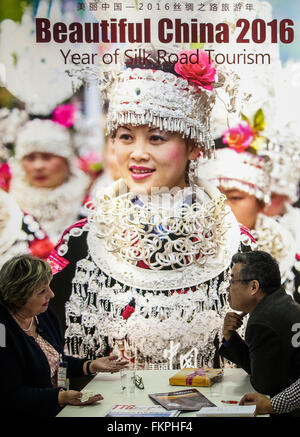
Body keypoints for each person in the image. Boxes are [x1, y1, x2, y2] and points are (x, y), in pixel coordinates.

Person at [48, 47, 256, 370]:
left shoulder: (237, 246)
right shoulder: (78, 244)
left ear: (193, 145)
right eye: (126, 136)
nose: (138, 153)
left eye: (156, 138)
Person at [0, 254, 128, 417]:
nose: (52, 294)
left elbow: (55, 361)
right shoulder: (3, 331)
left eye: (49, 286)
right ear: (19, 296)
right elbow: (10, 395)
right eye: (42, 291)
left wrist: (90, 365)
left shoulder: (44, 315)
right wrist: (60, 397)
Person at [199, 114, 299, 295]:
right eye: (214, 196)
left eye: (235, 197)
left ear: (261, 204)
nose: (222, 207)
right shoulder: (189, 253)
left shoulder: (290, 262)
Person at [219, 251, 300, 417]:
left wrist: (273, 404)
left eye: (232, 281)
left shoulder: (262, 322)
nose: (228, 288)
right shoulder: (281, 303)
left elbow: (264, 385)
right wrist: (230, 337)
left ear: (253, 287)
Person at [9, 116, 89, 246]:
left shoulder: (88, 209)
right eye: (30, 158)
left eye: (47, 157)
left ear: (67, 161)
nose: (38, 166)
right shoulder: (9, 210)